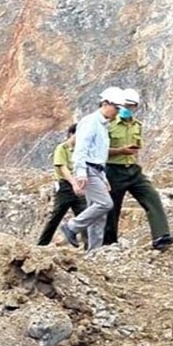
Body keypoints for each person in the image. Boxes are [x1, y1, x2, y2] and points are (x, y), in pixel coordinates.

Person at [104, 88, 173, 250]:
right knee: (112, 208)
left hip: (133, 169)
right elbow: (100, 150)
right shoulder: (108, 125)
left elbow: (137, 148)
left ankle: (161, 236)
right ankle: (108, 244)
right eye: (126, 105)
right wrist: (120, 151)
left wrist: (131, 156)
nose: (128, 109)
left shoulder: (137, 125)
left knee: (152, 197)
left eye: (132, 106)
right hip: (113, 170)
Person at [59, 87, 123, 254]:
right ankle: (71, 227)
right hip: (88, 168)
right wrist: (80, 172)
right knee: (105, 204)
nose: (118, 112)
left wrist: (103, 177)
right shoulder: (90, 121)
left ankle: (94, 252)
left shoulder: (102, 125)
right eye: (116, 108)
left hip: (96, 170)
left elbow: (98, 153)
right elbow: (82, 147)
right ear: (106, 103)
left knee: (98, 214)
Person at [35, 123, 87, 246]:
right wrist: (73, 183)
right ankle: (42, 244)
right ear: (71, 134)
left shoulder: (81, 150)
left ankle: (88, 245)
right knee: (56, 216)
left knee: (83, 215)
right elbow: (63, 168)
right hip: (65, 186)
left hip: (79, 185)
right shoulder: (62, 148)